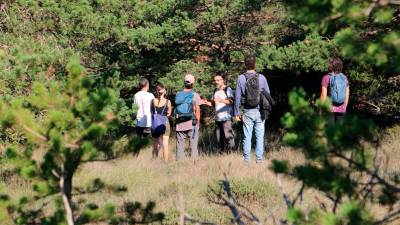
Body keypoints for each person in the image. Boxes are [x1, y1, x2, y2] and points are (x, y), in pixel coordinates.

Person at [234, 56, 271, 163]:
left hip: (247, 110)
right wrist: (267, 110)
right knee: (260, 137)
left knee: (247, 136)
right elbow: (268, 94)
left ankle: (247, 160)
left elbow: (237, 96)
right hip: (260, 111)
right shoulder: (262, 77)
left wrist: (236, 112)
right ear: (255, 63)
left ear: (245, 64)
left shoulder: (241, 78)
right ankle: (259, 160)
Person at [202, 73, 235, 153]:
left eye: (218, 80)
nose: (216, 82)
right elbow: (213, 104)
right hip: (218, 118)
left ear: (223, 80)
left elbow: (231, 101)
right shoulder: (215, 90)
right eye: (215, 80)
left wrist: (222, 100)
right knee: (219, 137)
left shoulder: (227, 89)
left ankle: (231, 153)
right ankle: (222, 153)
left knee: (228, 137)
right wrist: (207, 103)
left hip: (226, 117)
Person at [175, 74, 202, 161]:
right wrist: (198, 123)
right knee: (193, 144)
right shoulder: (195, 95)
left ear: (184, 83)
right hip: (192, 122)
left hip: (180, 122)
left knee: (180, 144)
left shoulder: (178, 94)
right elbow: (197, 111)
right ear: (193, 83)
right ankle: (194, 163)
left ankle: (179, 163)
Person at [320, 57, 350, 123]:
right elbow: (347, 94)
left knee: (330, 131)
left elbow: (323, 95)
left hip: (329, 108)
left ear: (331, 66)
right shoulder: (344, 78)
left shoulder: (326, 78)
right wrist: (344, 106)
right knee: (339, 131)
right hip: (342, 108)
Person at [151, 84, 172, 162]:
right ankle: (165, 162)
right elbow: (169, 113)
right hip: (165, 123)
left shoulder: (153, 101)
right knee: (165, 144)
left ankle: (154, 161)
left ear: (156, 91)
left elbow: (152, 112)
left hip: (155, 124)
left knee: (155, 143)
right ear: (164, 91)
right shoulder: (168, 101)